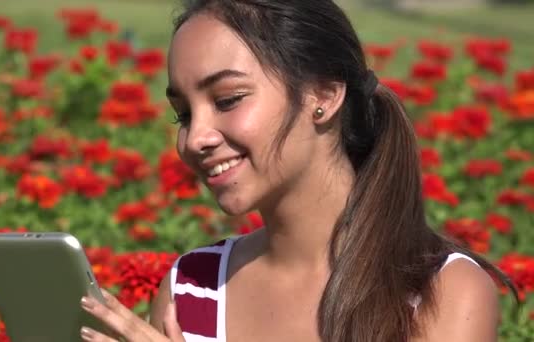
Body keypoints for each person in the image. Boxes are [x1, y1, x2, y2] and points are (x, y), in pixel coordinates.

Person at [78, 1, 517, 341]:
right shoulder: (192, 290)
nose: (195, 139)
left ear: (322, 96)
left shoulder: (442, 291)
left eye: (228, 99)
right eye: (183, 114)